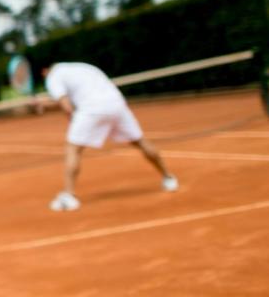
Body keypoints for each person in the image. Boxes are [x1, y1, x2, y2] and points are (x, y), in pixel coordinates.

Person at [40, 61, 178, 212]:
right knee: (139, 141)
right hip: (117, 104)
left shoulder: (53, 76)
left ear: (45, 71)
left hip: (91, 108)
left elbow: (66, 105)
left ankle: (69, 196)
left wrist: (75, 123)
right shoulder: (81, 67)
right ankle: (168, 178)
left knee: (73, 148)